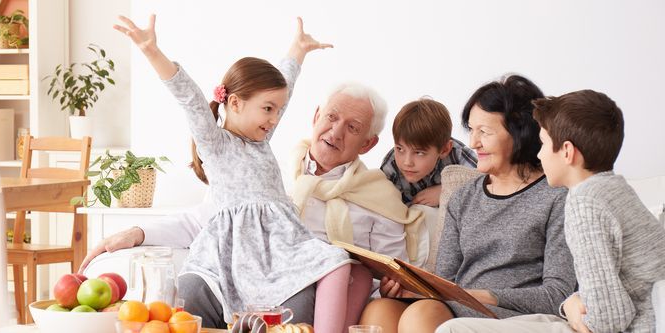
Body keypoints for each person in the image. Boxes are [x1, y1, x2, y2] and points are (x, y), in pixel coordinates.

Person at [111, 15, 368, 333]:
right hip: (232, 253)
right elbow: (189, 98)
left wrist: (298, 50)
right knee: (189, 293)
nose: (275, 118)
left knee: (338, 260)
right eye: (268, 109)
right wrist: (152, 51)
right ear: (234, 103)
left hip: (280, 249)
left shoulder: (262, 143)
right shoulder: (215, 143)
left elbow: (284, 86)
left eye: (278, 110)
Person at [358, 74, 577, 333]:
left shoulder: (557, 197)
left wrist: (481, 295)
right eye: (471, 130)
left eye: (484, 132)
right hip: (459, 304)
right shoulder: (464, 197)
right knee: (379, 310)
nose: (473, 143)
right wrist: (409, 290)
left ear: (520, 133)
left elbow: (557, 294)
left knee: (422, 315)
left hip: (513, 314)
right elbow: (444, 281)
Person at [435, 90, 665, 333]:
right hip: (633, 320)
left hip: (633, 327)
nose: (538, 153)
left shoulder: (584, 204)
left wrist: (570, 306)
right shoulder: (613, 189)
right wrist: (573, 302)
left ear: (567, 151)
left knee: (452, 329)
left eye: (543, 144)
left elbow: (610, 316)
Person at [379, 98, 477, 207]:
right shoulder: (390, 167)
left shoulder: (457, 154)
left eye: (419, 153)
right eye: (400, 149)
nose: (407, 162)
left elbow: (485, 181)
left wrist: (446, 192)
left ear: (444, 149)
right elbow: (382, 207)